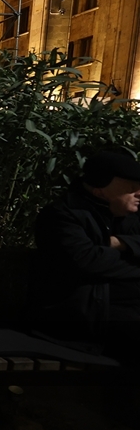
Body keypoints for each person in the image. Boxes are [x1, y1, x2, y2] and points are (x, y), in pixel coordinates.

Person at [32, 148, 140, 364]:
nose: (139, 193)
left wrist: (121, 244)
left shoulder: (129, 215)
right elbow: (87, 261)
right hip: (82, 316)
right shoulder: (62, 215)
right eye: (132, 187)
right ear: (100, 189)